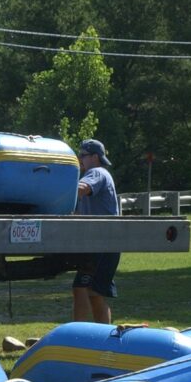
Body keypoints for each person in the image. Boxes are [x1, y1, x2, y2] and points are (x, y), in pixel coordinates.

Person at [72, 138, 121, 324]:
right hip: (100, 245)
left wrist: (55, 189)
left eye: (82, 156)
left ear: (94, 157)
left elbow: (80, 189)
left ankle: (80, 337)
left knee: (86, 290)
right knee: (92, 293)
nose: (79, 160)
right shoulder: (96, 174)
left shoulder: (96, 172)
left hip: (104, 245)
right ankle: (93, 336)